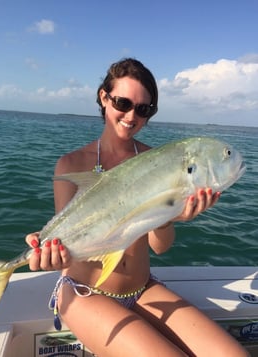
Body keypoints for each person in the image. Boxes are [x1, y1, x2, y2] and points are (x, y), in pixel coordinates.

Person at [26, 58, 249, 357]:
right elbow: (69, 240)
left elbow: (160, 247)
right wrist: (49, 254)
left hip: (142, 288)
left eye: (144, 109)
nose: (132, 116)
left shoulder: (155, 161)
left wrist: (173, 216)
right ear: (103, 98)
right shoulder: (72, 164)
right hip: (85, 294)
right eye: (123, 102)